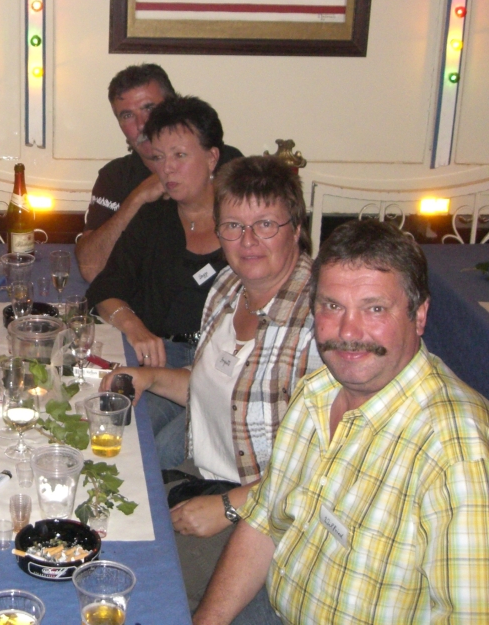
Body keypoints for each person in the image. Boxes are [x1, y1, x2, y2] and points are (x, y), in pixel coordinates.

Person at [195, 220, 489, 625]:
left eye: (374, 309)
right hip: (276, 605)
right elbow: (264, 523)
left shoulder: (457, 454)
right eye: (332, 306)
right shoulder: (317, 392)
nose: (349, 331)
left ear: (419, 315)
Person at [101, 156, 321, 612]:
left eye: (265, 224)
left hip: (271, 521)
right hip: (200, 480)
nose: (248, 240)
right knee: (104, 537)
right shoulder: (226, 288)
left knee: (134, 591)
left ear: (296, 228)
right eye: (233, 226)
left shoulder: (321, 321)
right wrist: (150, 377)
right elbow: (219, 392)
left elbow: (333, 463)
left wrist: (231, 506)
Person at [87, 96, 232, 467]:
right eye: (159, 157)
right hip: (162, 362)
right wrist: (134, 327)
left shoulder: (241, 225)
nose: (167, 169)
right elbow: (105, 288)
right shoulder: (155, 218)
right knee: (122, 435)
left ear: (212, 158)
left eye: (180, 155)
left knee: (163, 452)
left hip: (223, 371)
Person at [76, 64, 242, 282]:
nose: (142, 125)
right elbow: (91, 270)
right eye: (127, 115)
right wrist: (138, 197)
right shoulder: (115, 177)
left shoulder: (225, 162)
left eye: (149, 108)